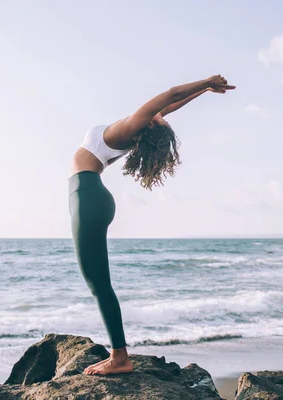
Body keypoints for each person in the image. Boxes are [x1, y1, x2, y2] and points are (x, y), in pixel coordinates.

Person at [68, 75, 236, 375]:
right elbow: (172, 104)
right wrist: (204, 91)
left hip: (88, 197)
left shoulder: (131, 126)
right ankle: (118, 354)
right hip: (90, 196)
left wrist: (206, 80)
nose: (165, 116)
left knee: (98, 284)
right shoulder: (136, 127)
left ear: (148, 124)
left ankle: (120, 358)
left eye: (161, 120)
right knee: (98, 283)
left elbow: (169, 94)